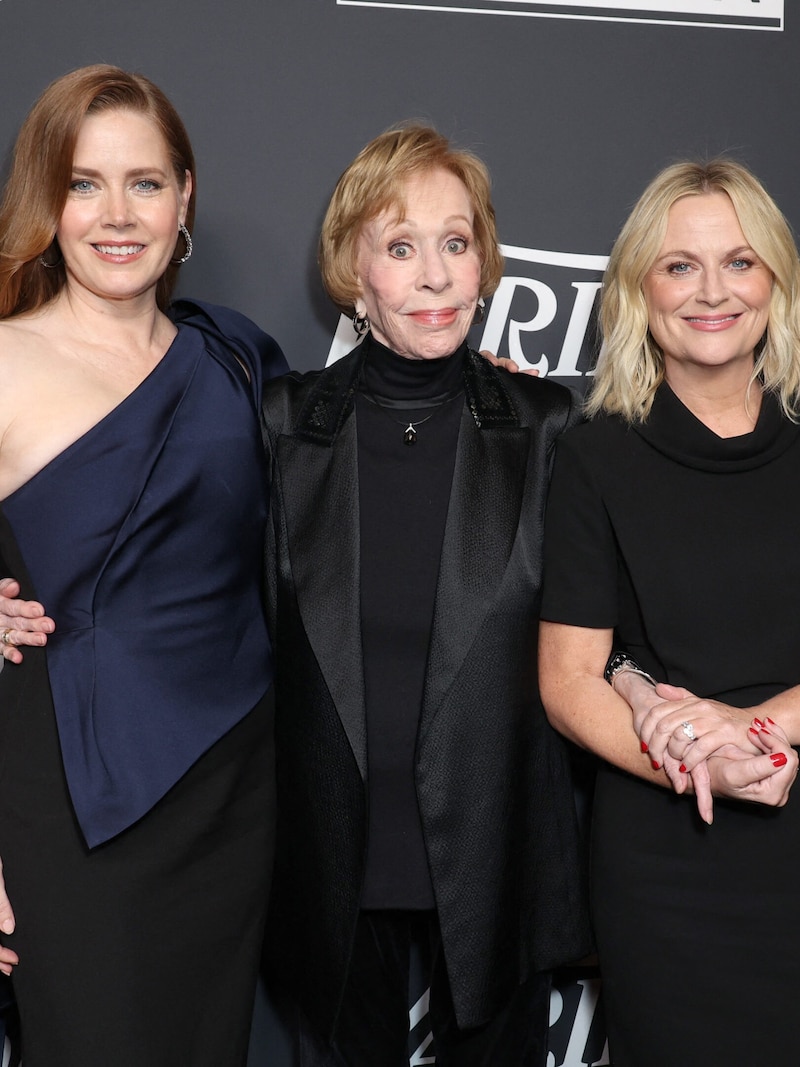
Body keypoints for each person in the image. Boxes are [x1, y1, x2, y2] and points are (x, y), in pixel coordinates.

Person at [260, 124, 590, 1067]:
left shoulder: (546, 425)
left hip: (497, 863)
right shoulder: (283, 425)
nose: (436, 274)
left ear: (485, 263)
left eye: (457, 242)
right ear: (354, 272)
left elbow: (596, 640)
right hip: (327, 864)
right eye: (401, 247)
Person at [0, 65, 288, 1065]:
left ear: (185, 196)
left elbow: (361, 485)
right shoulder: (4, 360)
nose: (116, 215)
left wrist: (491, 395)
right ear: (48, 200)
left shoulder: (238, 357)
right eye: (84, 184)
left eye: (145, 183)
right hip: (69, 803)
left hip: (233, 792)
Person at [538, 159, 800, 1067]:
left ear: (775, 280)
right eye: (680, 266)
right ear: (639, 289)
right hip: (667, 857)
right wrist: (703, 761)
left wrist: (753, 734)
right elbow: (571, 679)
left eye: (740, 262)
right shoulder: (595, 456)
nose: (713, 291)